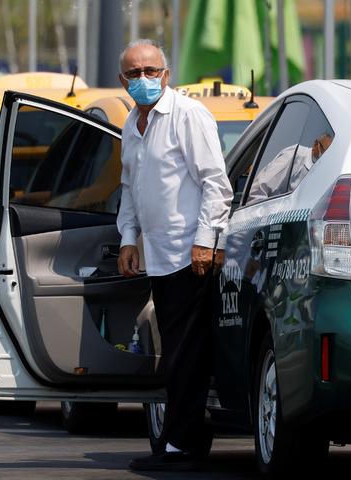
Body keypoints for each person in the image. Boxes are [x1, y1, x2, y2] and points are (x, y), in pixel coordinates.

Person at [116, 39, 233, 472]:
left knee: (185, 354)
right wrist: (129, 238)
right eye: (134, 73)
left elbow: (215, 184)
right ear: (122, 80)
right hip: (159, 257)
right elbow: (131, 188)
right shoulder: (132, 124)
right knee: (179, 351)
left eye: (151, 71)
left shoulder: (187, 115)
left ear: (166, 74)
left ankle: (180, 445)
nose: (143, 80)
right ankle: (182, 441)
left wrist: (205, 240)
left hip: (190, 255)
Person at [247, 133, 333, 202]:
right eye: (324, 150)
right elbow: (257, 190)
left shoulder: (326, 171)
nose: (326, 156)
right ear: (315, 144)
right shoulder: (294, 156)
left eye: (330, 153)